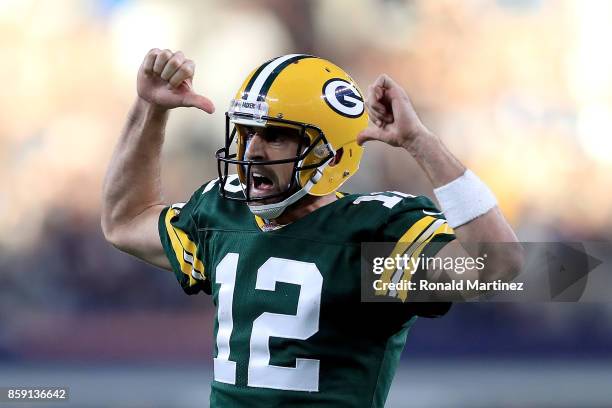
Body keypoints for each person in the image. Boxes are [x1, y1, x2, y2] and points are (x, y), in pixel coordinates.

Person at [101, 49, 523, 407]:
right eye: (246, 132)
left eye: (276, 137)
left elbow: (496, 266)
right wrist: (150, 107)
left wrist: (419, 141)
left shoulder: (366, 243)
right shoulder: (223, 215)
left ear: (333, 157)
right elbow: (124, 221)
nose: (252, 151)